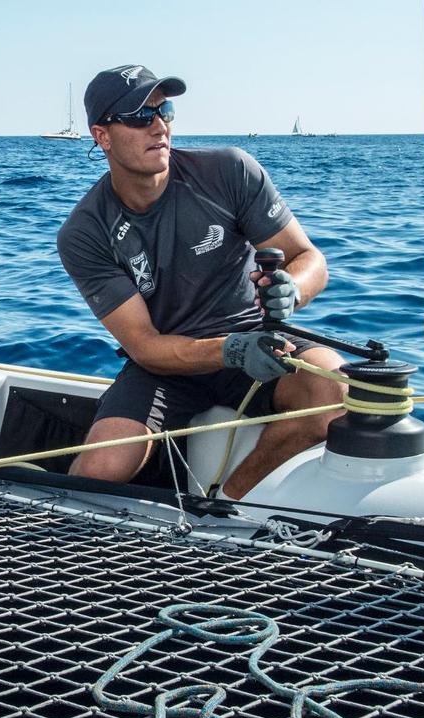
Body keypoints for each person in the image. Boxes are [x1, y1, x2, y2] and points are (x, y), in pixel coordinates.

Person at [58, 65, 346, 500]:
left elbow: (311, 259)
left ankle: (225, 504)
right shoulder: (84, 232)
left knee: (335, 389)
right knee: (100, 467)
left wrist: (293, 289)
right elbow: (144, 345)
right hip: (167, 364)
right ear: (102, 136)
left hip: (258, 341)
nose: (159, 126)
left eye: (164, 110)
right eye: (140, 117)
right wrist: (228, 351)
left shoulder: (230, 170)